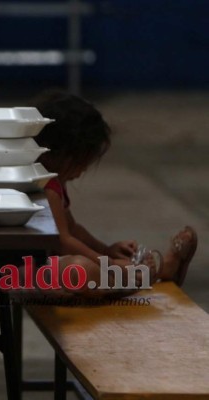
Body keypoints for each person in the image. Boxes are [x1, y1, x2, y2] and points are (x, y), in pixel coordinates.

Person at [30, 89, 197, 298]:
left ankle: (156, 271)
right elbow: (62, 241)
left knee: (92, 266)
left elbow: (72, 228)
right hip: (29, 273)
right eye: (81, 163)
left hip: (49, 265)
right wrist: (108, 263)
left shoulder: (53, 181)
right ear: (58, 153)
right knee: (81, 268)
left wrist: (106, 250)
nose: (82, 171)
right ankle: (129, 280)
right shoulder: (44, 185)